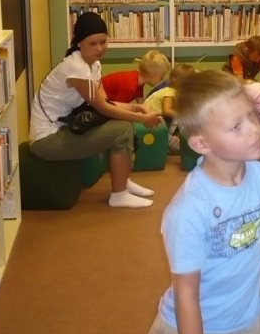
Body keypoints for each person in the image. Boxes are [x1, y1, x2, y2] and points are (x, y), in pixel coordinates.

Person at [147, 70, 260, 334]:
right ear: (201, 143)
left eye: (251, 115)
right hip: (195, 327)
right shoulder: (188, 210)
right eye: (236, 126)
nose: (254, 129)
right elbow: (186, 293)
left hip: (249, 318)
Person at [29, 12, 163, 209]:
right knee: (122, 129)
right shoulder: (76, 68)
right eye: (93, 44)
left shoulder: (93, 65)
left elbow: (105, 102)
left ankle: (123, 181)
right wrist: (141, 118)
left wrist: (138, 107)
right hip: (47, 140)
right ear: (79, 43)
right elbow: (102, 108)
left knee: (122, 124)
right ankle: (119, 194)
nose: (99, 48)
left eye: (103, 42)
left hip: (65, 127)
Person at [143, 63, 197, 151]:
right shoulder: (170, 93)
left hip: (148, 118)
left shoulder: (166, 90)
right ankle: (177, 145)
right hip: (149, 122)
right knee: (175, 122)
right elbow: (166, 111)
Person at [101, 49, 171, 104]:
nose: (161, 80)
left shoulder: (137, 80)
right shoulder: (130, 87)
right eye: (161, 77)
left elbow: (141, 101)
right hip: (99, 103)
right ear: (152, 75)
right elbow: (117, 108)